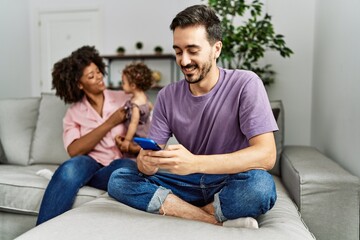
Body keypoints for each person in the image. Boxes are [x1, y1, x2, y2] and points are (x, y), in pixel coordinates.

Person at [108, 4, 278, 228]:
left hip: (229, 179)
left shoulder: (246, 83)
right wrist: (145, 163)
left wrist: (195, 162)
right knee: (120, 179)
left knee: (261, 187)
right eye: (178, 51)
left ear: (216, 49)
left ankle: (181, 210)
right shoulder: (167, 96)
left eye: (193, 50)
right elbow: (149, 155)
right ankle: (210, 219)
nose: (184, 61)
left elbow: (266, 155)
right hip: (186, 181)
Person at [36, 46, 134, 225]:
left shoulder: (122, 98)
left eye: (98, 71)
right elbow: (75, 150)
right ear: (80, 84)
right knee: (70, 168)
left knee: (127, 167)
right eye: (91, 76)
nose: (98, 77)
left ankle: (76, 181)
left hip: (115, 165)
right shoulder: (74, 113)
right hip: (88, 164)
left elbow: (143, 124)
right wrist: (110, 123)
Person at [115, 62, 154, 157]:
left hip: (138, 138)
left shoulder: (135, 105)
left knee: (133, 159)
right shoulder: (144, 98)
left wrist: (127, 141)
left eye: (123, 83)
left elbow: (133, 124)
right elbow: (150, 108)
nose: (122, 85)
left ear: (133, 85)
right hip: (146, 134)